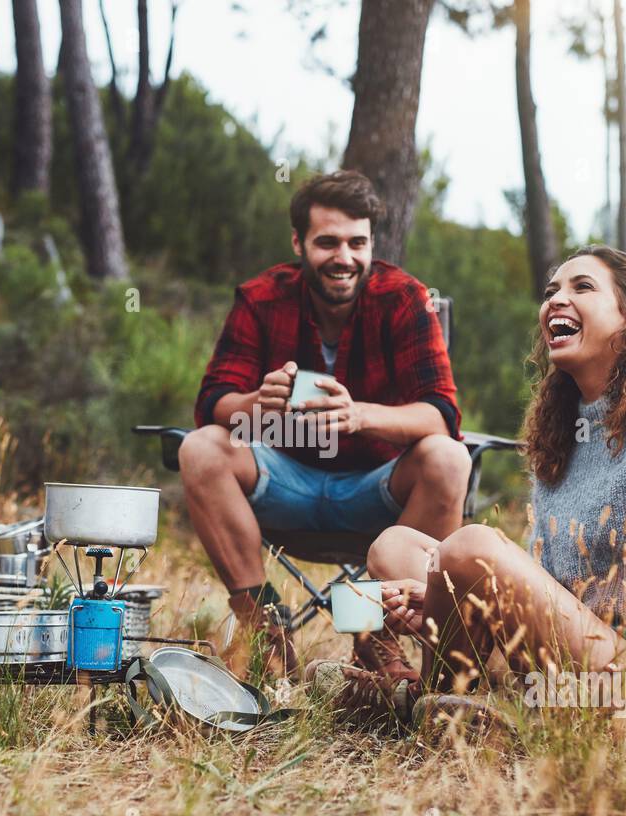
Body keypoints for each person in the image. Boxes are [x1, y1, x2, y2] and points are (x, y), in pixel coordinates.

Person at [308, 245, 626, 739]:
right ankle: (449, 703)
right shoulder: (562, 429)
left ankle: (419, 708)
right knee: (393, 547)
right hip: (559, 682)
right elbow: (550, 587)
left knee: (470, 548)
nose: (555, 299)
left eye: (582, 287)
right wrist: (444, 597)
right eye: (552, 289)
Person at [181, 170, 472, 681]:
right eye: (327, 242)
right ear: (298, 242)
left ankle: (371, 634)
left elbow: (442, 413)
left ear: (372, 243)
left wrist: (361, 415)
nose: (344, 257)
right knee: (200, 448)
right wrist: (257, 402)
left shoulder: (405, 298)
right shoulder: (261, 297)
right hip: (283, 482)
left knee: (448, 458)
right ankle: (266, 630)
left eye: (357, 243)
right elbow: (212, 403)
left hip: (378, 494)